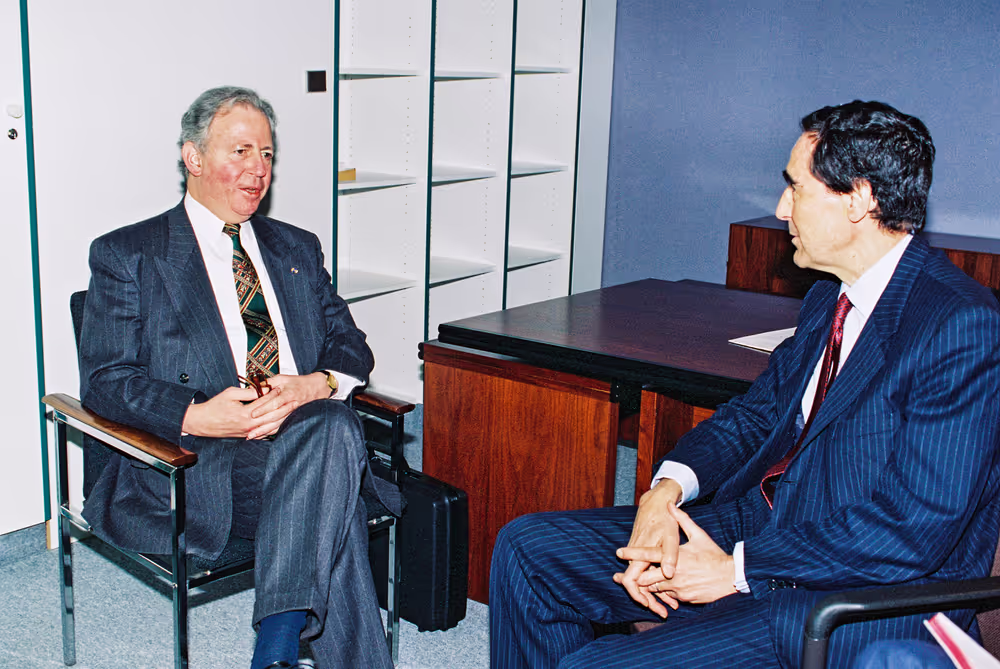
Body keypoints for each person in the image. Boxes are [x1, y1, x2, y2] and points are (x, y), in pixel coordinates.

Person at [490, 100, 1000, 668]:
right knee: (529, 551)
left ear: (858, 199)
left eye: (796, 188)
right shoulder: (830, 296)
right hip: (765, 526)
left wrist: (736, 568)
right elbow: (756, 414)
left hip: (855, 598)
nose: (782, 208)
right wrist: (666, 491)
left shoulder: (959, 325)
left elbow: (910, 531)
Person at [78, 86, 398, 669]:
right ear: (193, 158)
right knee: (336, 479)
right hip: (198, 462)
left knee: (325, 426)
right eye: (241, 151)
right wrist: (198, 415)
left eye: (268, 155)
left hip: (304, 439)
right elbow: (105, 379)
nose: (258, 171)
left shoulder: (297, 248)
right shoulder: (130, 254)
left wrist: (315, 383)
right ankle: (286, 645)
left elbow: (351, 343)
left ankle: (274, 649)